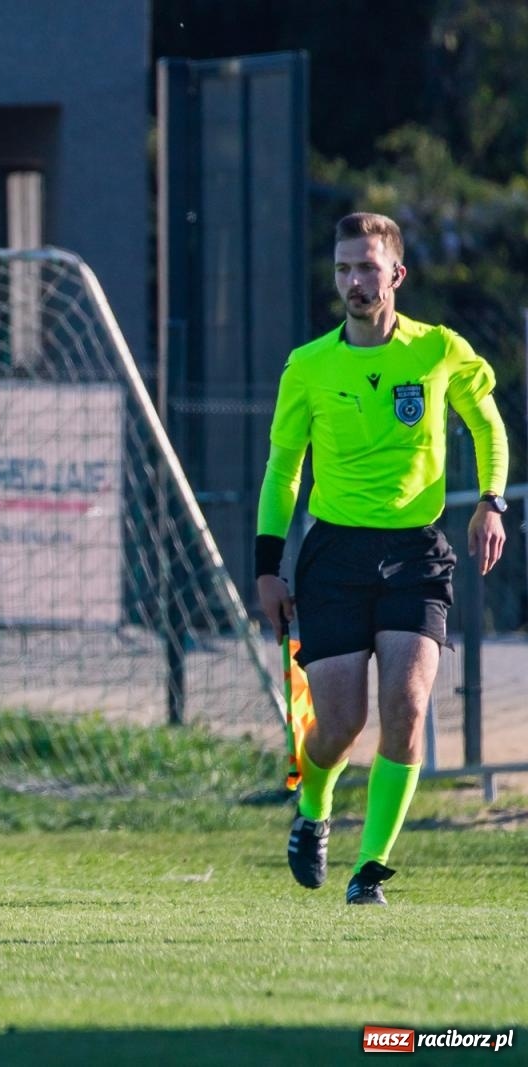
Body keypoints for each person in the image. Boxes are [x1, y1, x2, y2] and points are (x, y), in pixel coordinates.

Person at [255, 212, 508, 906]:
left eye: (367, 267)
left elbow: (488, 424)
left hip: (417, 552)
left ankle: (370, 870)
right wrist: (267, 567)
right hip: (333, 554)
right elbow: (283, 470)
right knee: (340, 724)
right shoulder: (308, 365)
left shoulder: (437, 351)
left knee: (408, 704)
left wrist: (492, 501)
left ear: (396, 273)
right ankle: (314, 808)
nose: (354, 281)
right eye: (343, 268)